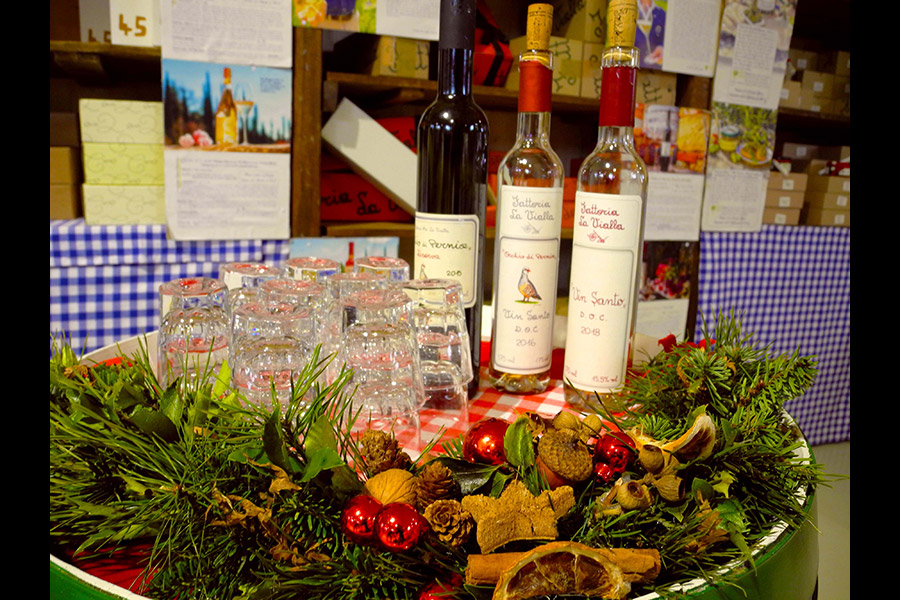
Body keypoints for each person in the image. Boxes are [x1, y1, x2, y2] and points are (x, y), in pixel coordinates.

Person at [635, 0, 665, 68]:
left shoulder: (661, 13)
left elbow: (666, 39)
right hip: (634, 66)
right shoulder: (630, 9)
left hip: (656, 67)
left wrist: (661, 47)